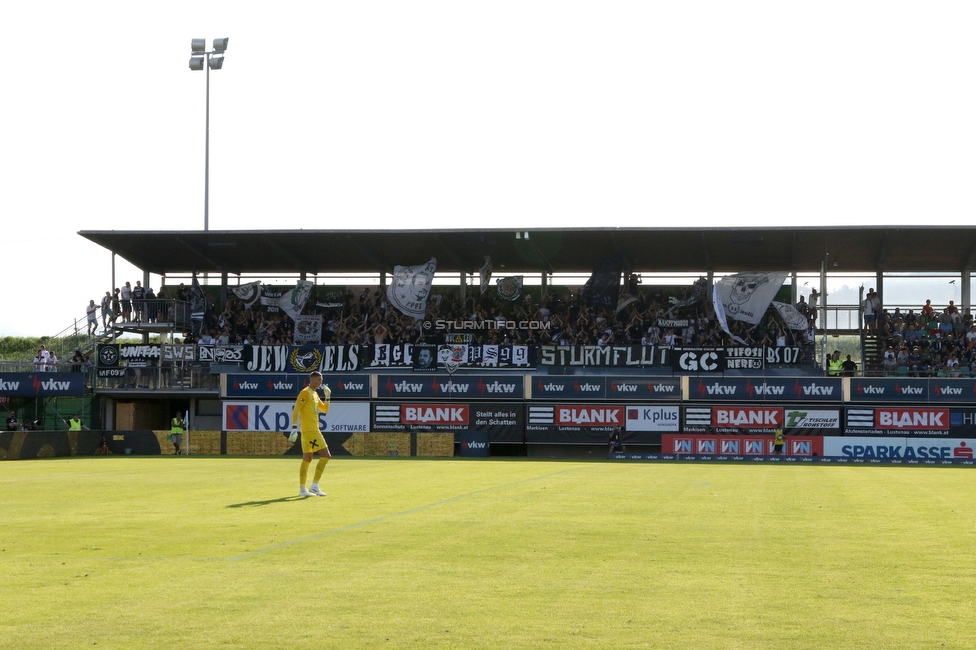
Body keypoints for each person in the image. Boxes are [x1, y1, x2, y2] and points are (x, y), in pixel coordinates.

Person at [290, 371, 332, 497]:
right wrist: (293, 428)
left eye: (321, 380)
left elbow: (324, 409)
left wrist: (328, 396)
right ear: (313, 380)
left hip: (308, 431)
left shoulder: (314, 393)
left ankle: (303, 489)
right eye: (319, 380)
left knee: (307, 459)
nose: (321, 382)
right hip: (311, 431)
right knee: (326, 455)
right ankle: (314, 485)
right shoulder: (305, 392)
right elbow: (296, 409)